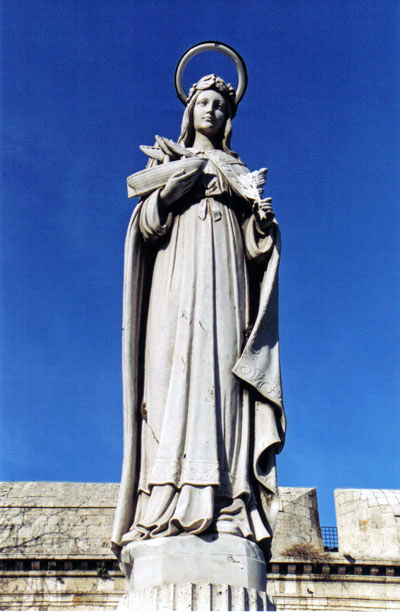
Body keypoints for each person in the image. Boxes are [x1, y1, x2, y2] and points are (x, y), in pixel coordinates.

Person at [112, 74, 286, 559]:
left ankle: (229, 502)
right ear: (189, 110)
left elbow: (257, 254)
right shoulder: (165, 161)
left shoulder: (238, 170)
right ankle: (164, 503)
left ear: (229, 118)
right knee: (171, 380)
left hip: (228, 286)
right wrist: (168, 195)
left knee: (229, 380)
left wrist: (260, 227)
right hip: (175, 283)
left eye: (220, 105)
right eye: (203, 102)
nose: (211, 110)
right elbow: (144, 228)